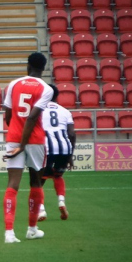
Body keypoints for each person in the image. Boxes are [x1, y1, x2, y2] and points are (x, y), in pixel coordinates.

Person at [2, 52, 55, 243]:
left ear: (27, 65)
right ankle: (32, 229)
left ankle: (9, 233)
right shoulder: (46, 89)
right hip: (34, 140)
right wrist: (24, 144)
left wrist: (15, 137)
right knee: (36, 181)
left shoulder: (14, 84)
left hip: (14, 137)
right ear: (44, 68)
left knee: (12, 184)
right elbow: (32, 117)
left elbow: (7, 114)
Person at [37, 84, 75, 221]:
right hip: (65, 149)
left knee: (38, 180)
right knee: (57, 176)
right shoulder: (65, 111)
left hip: (46, 148)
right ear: (57, 96)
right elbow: (71, 134)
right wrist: (70, 155)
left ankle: (41, 210)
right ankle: (61, 202)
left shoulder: (38, 110)